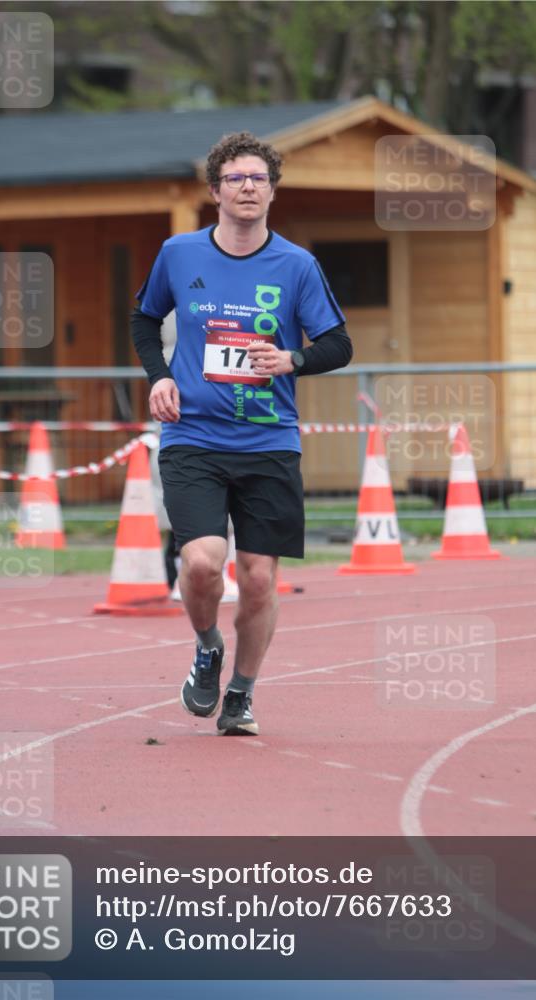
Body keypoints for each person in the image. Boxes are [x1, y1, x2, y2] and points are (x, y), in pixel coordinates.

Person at [132, 131, 352, 735]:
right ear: (215, 191)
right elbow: (145, 318)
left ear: (273, 191)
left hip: (269, 442)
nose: (248, 187)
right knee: (202, 563)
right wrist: (158, 378)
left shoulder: (296, 265)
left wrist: (293, 360)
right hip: (194, 436)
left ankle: (242, 694)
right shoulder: (179, 254)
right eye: (236, 178)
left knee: (258, 577)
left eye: (259, 178)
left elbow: (338, 343)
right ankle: (207, 648)